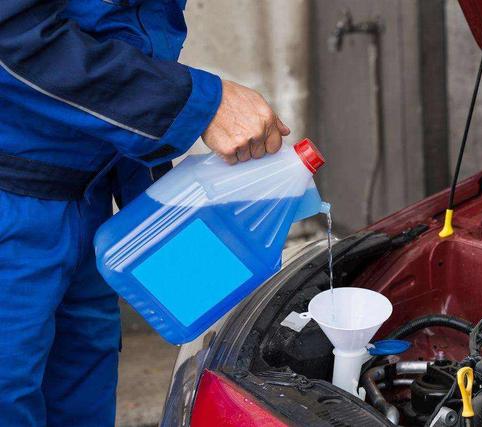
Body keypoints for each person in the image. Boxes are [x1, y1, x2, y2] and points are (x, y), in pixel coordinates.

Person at [0, 1, 289, 425]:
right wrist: (200, 103)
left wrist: (156, 203)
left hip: (90, 197)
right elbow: (11, 36)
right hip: (14, 198)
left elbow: (122, 32)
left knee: (81, 401)